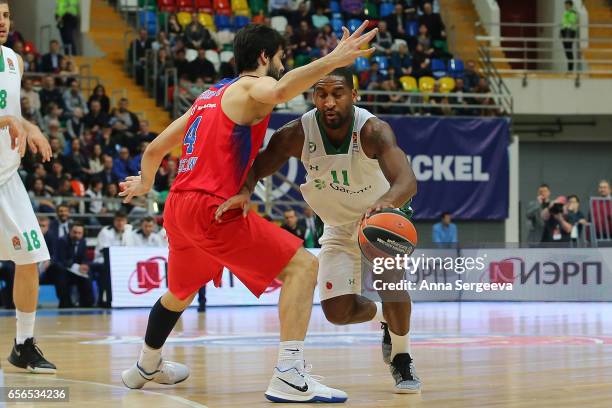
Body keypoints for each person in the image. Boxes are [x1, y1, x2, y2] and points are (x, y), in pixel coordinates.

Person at [118, 22, 377, 402]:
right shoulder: (250, 87)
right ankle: (289, 373)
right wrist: (334, 59)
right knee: (303, 267)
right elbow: (281, 88)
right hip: (210, 207)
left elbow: (156, 148)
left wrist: (144, 182)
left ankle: (146, 364)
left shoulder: (208, 96)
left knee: (180, 291)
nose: (281, 63)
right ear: (263, 58)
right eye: (280, 58)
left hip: (178, 206)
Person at [216, 67, 420, 393]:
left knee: (390, 282)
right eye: (321, 94)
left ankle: (402, 356)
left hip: (380, 218)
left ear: (354, 96)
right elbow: (263, 163)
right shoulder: (298, 132)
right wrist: (246, 188)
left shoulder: (373, 131)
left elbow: (407, 181)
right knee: (338, 312)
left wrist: (387, 201)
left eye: (337, 93)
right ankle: (386, 317)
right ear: (313, 98)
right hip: (336, 224)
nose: (329, 102)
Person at [0, 0, 56, 373]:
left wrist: (31, 128)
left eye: (5, 16)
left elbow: (13, 114)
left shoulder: (13, 61)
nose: (1, 22)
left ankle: (23, 345)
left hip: (7, 177)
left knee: (31, 257)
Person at [52, 222, 94, 307]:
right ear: (70, 231)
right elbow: (61, 260)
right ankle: (66, 304)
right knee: (61, 275)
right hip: (63, 269)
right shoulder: (62, 241)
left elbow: (84, 258)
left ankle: (86, 303)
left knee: (88, 274)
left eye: (79, 233)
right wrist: (77, 266)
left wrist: (84, 265)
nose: (76, 235)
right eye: (74, 232)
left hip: (76, 270)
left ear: (82, 234)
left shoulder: (83, 242)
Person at [561, 0, 578, 72]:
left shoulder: (572, 12)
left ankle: (570, 69)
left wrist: (567, 34)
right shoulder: (566, 12)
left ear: (570, 5)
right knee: (567, 51)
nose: (565, 6)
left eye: (566, 5)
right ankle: (569, 69)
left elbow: (571, 23)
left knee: (569, 50)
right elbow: (564, 22)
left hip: (569, 32)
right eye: (565, 5)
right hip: (565, 31)